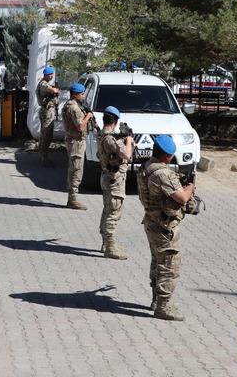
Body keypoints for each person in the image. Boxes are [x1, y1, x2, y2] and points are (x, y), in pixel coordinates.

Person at [136, 135, 195, 321]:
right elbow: (183, 198)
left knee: (158, 262)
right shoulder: (162, 174)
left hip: (152, 222)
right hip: (164, 226)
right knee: (169, 266)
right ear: (168, 156)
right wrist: (190, 187)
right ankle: (163, 306)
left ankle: (156, 300)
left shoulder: (146, 167)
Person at [96, 106, 134, 259]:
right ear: (116, 121)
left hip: (107, 177)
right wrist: (129, 142)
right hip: (114, 179)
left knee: (107, 210)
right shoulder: (110, 138)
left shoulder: (102, 134)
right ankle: (110, 247)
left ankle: (106, 242)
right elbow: (126, 154)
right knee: (113, 213)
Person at [61, 83, 94, 210]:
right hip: (76, 142)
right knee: (76, 170)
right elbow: (80, 126)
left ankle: (72, 197)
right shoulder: (74, 108)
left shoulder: (72, 105)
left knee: (75, 168)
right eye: (82, 94)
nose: (84, 96)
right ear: (75, 95)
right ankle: (73, 199)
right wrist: (88, 116)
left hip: (75, 141)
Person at [36, 66, 59, 166]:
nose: (52, 76)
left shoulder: (45, 83)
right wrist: (56, 89)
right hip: (47, 111)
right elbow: (54, 91)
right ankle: (43, 158)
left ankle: (42, 156)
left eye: (52, 74)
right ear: (46, 75)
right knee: (47, 135)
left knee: (45, 134)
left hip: (47, 110)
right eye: (50, 74)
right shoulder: (43, 84)